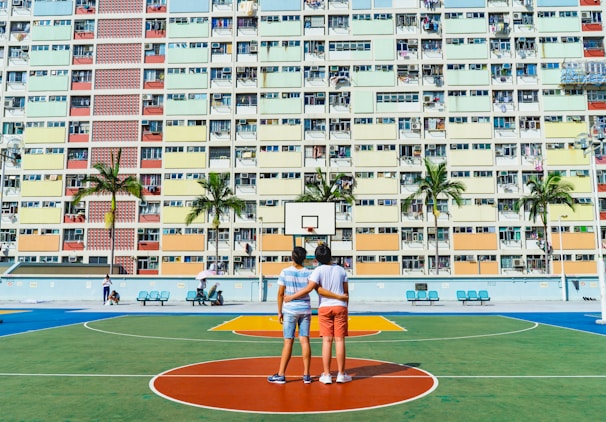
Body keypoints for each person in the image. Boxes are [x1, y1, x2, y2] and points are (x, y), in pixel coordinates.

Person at [268, 247, 347, 385]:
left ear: (292, 257)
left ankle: (281, 374)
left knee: (289, 341)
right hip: (305, 309)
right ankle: (307, 375)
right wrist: (339, 298)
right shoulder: (309, 273)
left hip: (291, 310)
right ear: (304, 259)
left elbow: (281, 293)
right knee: (306, 341)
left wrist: (280, 310)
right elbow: (316, 289)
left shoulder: (285, 272)